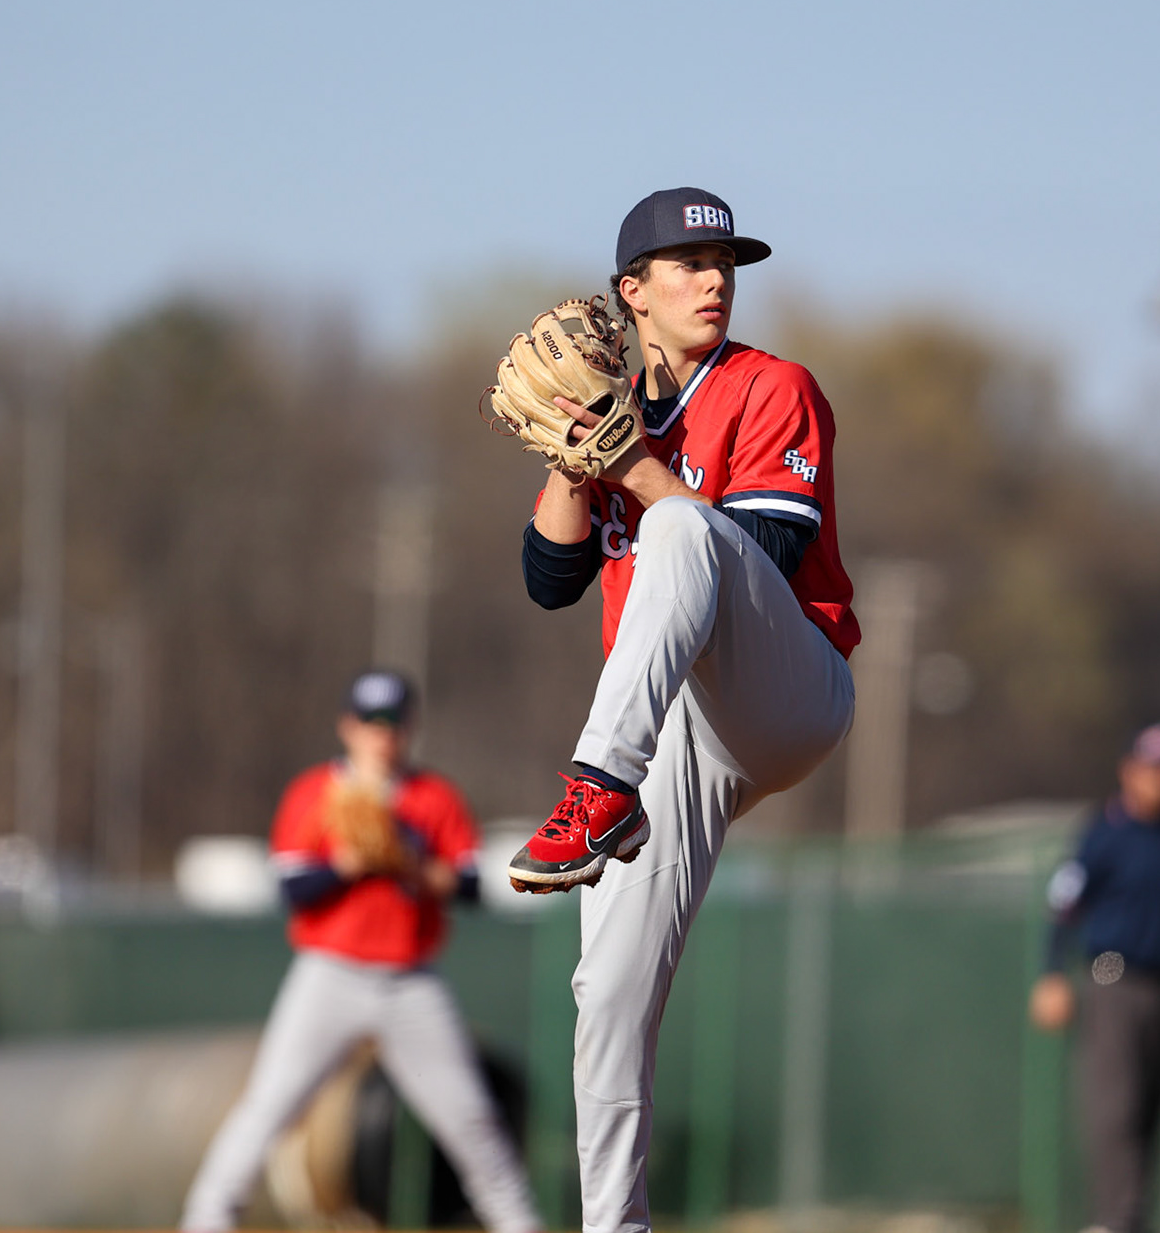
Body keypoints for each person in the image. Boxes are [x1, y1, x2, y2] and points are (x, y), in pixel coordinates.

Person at [508, 187, 858, 1233]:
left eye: (725, 262)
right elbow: (547, 580)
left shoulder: (770, 385)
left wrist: (638, 465)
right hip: (672, 730)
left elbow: (764, 555)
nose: (714, 278)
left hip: (785, 687)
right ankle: (613, 1224)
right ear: (634, 292)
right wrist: (577, 458)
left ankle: (596, 787)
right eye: (687, 262)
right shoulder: (615, 404)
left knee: (680, 535)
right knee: (604, 988)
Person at [180, 670, 540, 1233]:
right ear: (348, 727)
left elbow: (471, 885)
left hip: (411, 981)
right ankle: (205, 1223)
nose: (383, 734)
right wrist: (347, 863)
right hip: (330, 975)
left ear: (410, 728)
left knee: (472, 1121)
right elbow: (291, 887)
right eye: (372, 722)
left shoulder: (432, 799)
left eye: (394, 722)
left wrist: (411, 865)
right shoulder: (316, 794)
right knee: (268, 1109)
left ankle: (522, 1226)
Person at [1028, 722, 1160, 1233]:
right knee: (1114, 1107)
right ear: (1129, 770)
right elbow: (1064, 905)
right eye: (1152, 768)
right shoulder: (1103, 831)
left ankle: (1133, 1218)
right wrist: (1052, 973)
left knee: (1151, 1107)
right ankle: (1114, 1220)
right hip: (1110, 978)